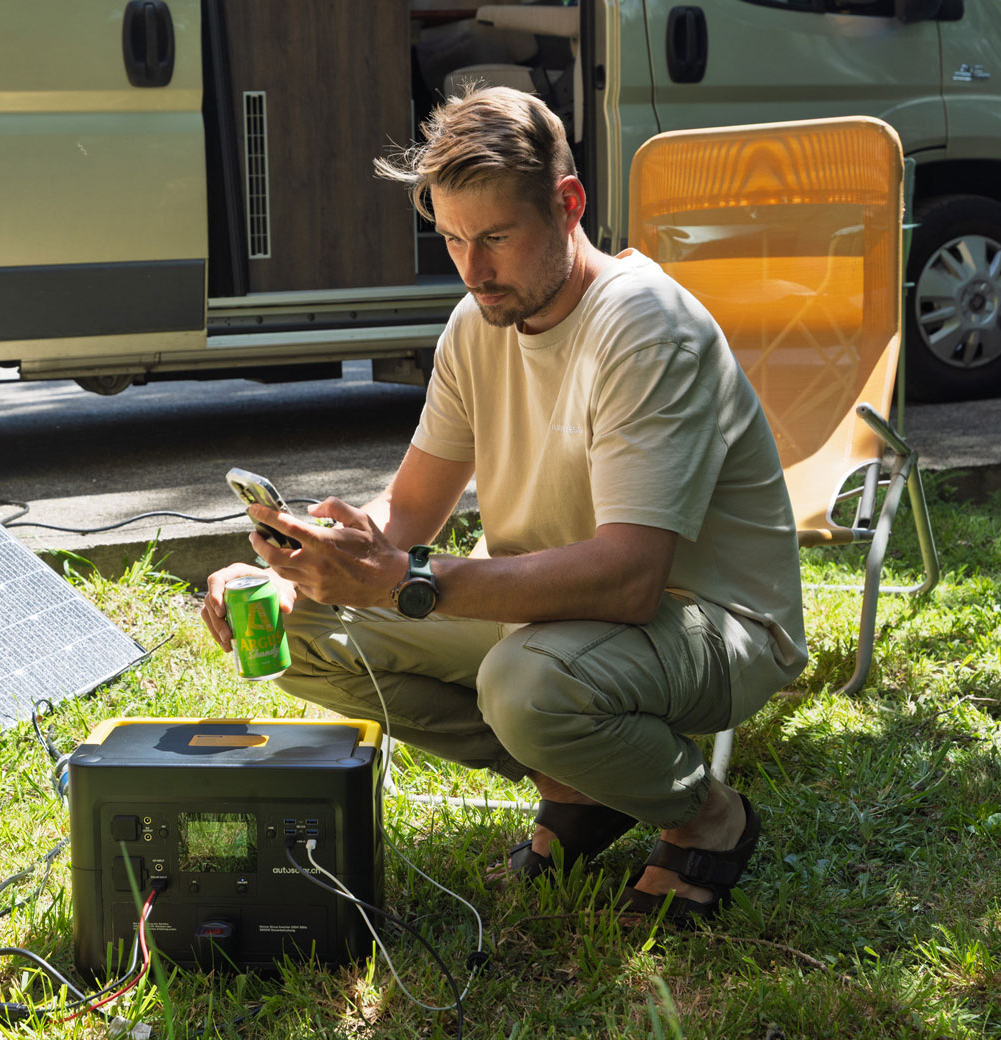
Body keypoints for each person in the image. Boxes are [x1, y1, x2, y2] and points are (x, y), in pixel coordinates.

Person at [201, 87, 806, 919]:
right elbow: (407, 515)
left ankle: (709, 822)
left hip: (708, 621)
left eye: (493, 239)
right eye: (450, 239)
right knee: (300, 633)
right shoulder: (475, 323)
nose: (472, 269)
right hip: (553, 611)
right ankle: (582, 787)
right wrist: (311, 564)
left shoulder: (644, 326)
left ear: (568, 205)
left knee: (528, 686)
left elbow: (631, 579)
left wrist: (404, 580)